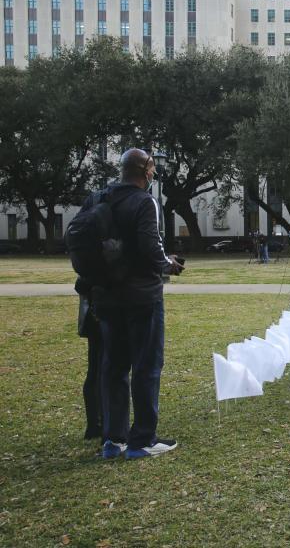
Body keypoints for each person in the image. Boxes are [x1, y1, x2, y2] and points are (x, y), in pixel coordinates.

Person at [82, 148, 185, 460]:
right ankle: (142, 439)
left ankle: (113, 439)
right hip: (142, 297)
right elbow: (151, 250)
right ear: (146, 172)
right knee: (146, 366)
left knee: (113, 366)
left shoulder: (98, 198)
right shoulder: (144, 202)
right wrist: (170, 264)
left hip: (106, 297)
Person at [75, 289, 103, 440]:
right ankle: (103, 424)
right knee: (103, 370)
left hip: (94, 309)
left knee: (95, 369)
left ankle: (95, 424)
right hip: (103, 309)